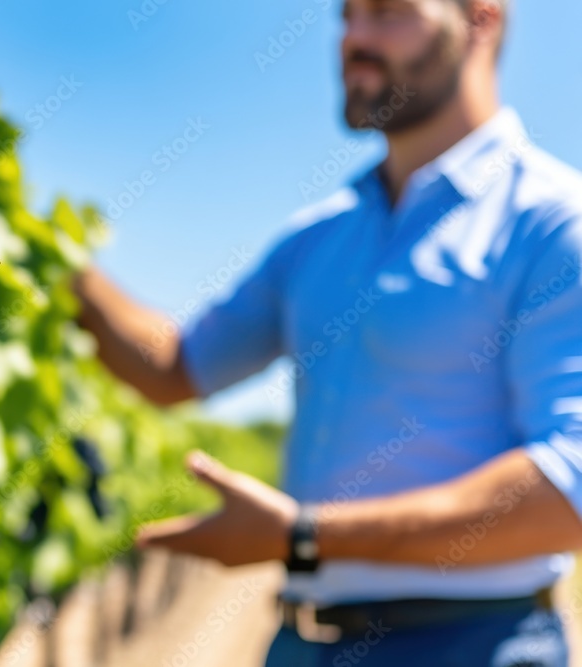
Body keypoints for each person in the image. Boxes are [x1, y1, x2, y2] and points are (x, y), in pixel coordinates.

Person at [73, 0, 582, 665]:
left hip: (472, 643)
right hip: (300, 643)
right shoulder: (320, 236)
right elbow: (175, 368)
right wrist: (56, 265)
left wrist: (305, 535)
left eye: (388, 13)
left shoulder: (551, 222)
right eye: (346, 16)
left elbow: (566, 493)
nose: (354, 38)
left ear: (481, 20)